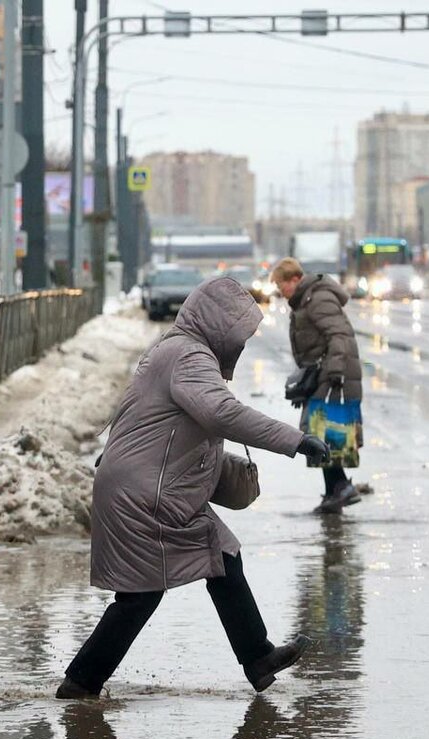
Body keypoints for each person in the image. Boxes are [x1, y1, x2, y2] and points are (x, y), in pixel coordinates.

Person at [57, 276, 329, 698]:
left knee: (221, 557)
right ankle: (81, 682)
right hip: (146, 495)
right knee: (141, 596)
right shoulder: (188, 356)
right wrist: (293, 441)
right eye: (240, 333)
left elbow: (164, 431)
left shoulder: (176, 351)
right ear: (218, 324)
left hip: (147, 486)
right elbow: (221, 414)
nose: (242, 344)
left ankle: (257, 656)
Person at [270, 257, 364, 514]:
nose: (281, 292)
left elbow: (339, 335)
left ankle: (341, 486)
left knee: (323, 432)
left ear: (295, 279)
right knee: (320, 432)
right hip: (323, 373)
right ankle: (336, 489)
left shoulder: (317, 299)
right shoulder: (306, 300)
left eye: (281, 285)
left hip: (334, 374)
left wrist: (334, 371)